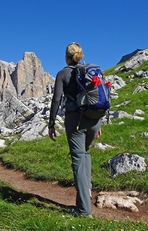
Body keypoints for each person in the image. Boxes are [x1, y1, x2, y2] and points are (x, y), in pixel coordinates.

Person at [48, 42, 102, 218]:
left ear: (66, 57)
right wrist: (98, 122)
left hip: (75, 121)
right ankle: (84, 201)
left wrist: (51, 124)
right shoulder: (90, 70)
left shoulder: (62, 74)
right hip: (95, 120)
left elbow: (56, 100)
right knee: (85, 156)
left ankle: (84, 210)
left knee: (78, 161)